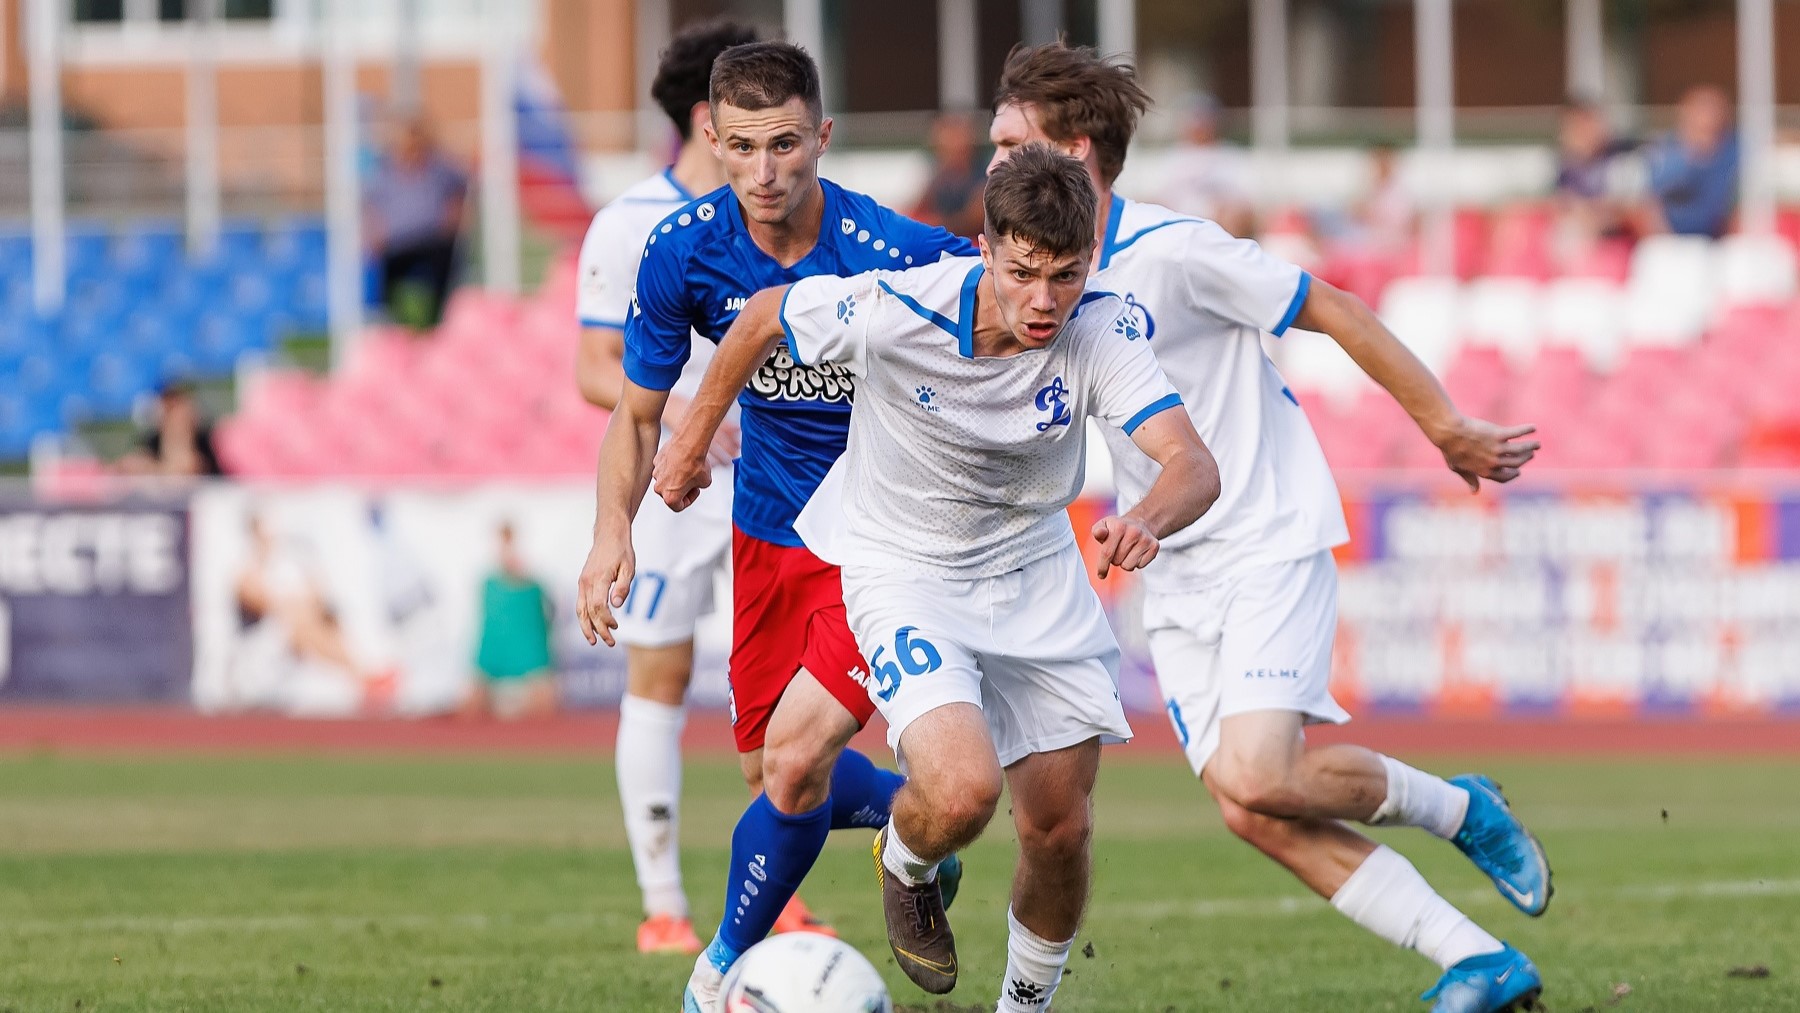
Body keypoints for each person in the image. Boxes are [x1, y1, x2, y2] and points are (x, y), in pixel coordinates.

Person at [988, 42, 1549, 1013]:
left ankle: (1461, 806)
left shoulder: (1176, 251)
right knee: (1252, 806)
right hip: (1178, 563)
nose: (992, 161)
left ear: (1075, 149)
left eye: (1010, 142)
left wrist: (1447, 425)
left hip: (1264, 533)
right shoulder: (1036, 275)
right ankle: (1478, 958)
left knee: (1259, 767)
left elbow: (1332, 306)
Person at [655, 144, 1220, 1011]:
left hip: (1035, 573)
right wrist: (692, 439)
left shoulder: (1103, 328)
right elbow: (765, 315)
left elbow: (1190, 461)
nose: (1043, 301)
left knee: (1059, 828)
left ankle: (1021, 1006)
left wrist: (1147, 517)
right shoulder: (894, 307)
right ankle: (907, 857)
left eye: (1065, 276)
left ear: (1091, 260)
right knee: (960, 791)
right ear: (985, 248)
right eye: (1023, 271)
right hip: (904, 568)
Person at [570, 41, 975, 1013]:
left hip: (879, 541)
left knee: (793, 766)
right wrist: (610, 532)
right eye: (742, 146)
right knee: (774, 774)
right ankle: (921, 830)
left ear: (822, 139)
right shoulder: (684, 248)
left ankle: (715, 975)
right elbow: (634, 412)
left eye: (786, 145)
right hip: (765, 535)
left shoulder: (893, 247)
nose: (764, 171)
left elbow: (1005, 313)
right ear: (711, 138)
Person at [572, 18, 761, 958]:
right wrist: (690, 407)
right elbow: (592, 367)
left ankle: (780, 888)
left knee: (782, 681)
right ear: (706, 118)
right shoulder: (630, 222)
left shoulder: (781, 215)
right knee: (662, 672)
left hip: (776, 479)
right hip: (673, 489)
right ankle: (663, 903)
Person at [364, 116, 468, 329]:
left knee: (445, 259)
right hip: (397, 243)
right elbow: (371, 207)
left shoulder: (441, 168)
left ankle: (438, 320)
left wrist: (453, 221)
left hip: (434, 239)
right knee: (383, 268)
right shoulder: (385, 172)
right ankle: (390, 322)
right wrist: (374, 234)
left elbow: (461, 189)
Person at [464, 522, 557, 721]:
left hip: (529, 663)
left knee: (545, 708)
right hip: (494, 662)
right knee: (470, 707)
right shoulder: (489, 584)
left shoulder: (533, 583)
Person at [1645, 84, 1739, 239]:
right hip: (1672, 242)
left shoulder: (1734, 149)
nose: (1709, 116)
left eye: (1713, 108)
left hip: (1721, 243)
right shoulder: (1664, 153)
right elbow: (1649, 203)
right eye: (1702, 109)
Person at [1157, 93, 1252, 238]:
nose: (1199, 127)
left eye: (1203, 121)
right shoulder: (1174, 157)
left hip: (1218, 225)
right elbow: (1160, 199)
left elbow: (1244, 203)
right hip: (1180, 225)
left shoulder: (1230, 156)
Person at [907, 111, 988, 239]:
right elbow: (917, 209)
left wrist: (937, 224)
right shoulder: (941, 177)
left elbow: (977, 218)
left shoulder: (984, 175)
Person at [117, 382, 223, 477]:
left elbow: (189, 468)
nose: (177, 416)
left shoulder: (206, 444)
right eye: (170, 408)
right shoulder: (151, 443)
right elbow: (129, 465)